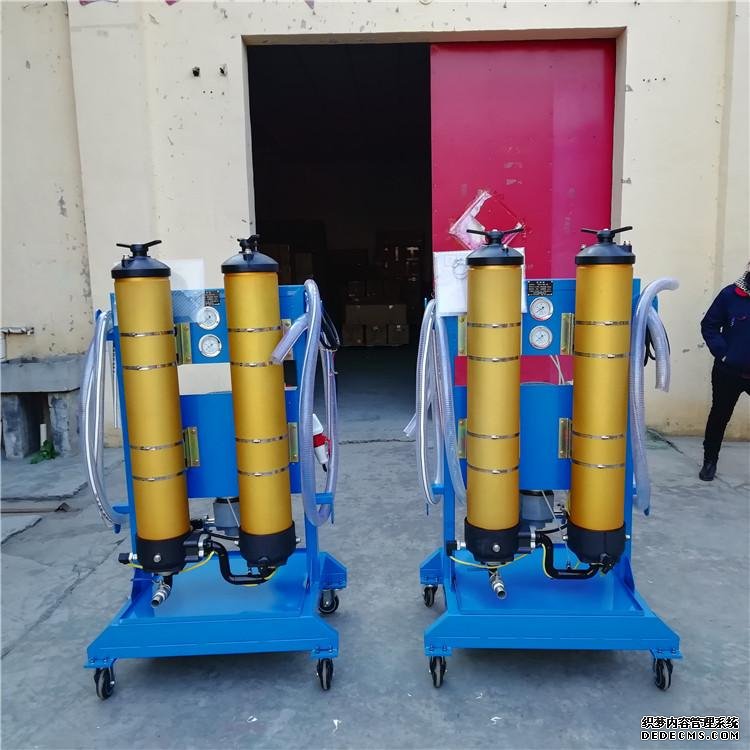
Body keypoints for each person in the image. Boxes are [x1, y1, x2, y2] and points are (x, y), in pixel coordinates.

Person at [698, 263, 750, 481]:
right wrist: (724, 353)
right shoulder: (730, 295)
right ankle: (710, 461)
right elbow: (709, 325)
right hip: (728, 371)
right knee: (719, 416)